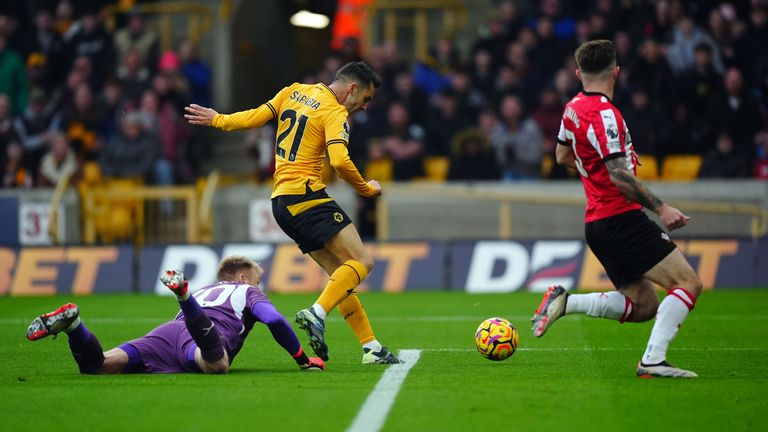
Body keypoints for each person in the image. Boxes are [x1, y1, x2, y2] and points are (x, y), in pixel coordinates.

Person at [184, 61, 402, 364]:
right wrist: (365, 188)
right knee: (362, 261)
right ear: (352, 88)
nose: (364, 107)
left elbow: (254, 118)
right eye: (365, 99)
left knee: (340, 277)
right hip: (307, 196)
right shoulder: (335, 113)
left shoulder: (294, 91)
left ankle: (371, 347)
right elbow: (339, 162)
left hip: (281, 203)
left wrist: (218, 119)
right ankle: (316, 312)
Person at [531, 40, 703, 378]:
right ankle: (653, 361)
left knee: (643, 305)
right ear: (616, 71)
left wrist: (593, 174)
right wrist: (661, 208)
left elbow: (563, 156)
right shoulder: (606, 114)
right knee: (688, 283)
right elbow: (619, 174)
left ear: (579, 73)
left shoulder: (572, 108)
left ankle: (566, 301)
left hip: (597, 224)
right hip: (621, 218)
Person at [26, 256, 325, 374]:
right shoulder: (247, 292)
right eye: (258, 280)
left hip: (170, 332)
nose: (261, 286)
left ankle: (75, 325)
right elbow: (273, 319)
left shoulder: (209, 288)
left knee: (98, 365)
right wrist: (302, 358)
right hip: (202, 336)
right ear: (244, 278)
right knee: (217, 364)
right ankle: (183, 296)